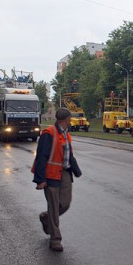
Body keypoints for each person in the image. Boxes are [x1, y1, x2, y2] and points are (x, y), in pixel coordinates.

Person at [32, 107, 82, 252]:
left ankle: (46, 217)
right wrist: (40, 179)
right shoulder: (48, 134)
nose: (71, 121)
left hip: (65, 173)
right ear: (64, 120)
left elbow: (69, 155)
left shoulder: (66, 134)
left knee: (65, 204)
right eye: (70, 119)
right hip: (51, 175)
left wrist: (76, 171)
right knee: (54, 207)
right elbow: (41, 157)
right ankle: (55, 240)